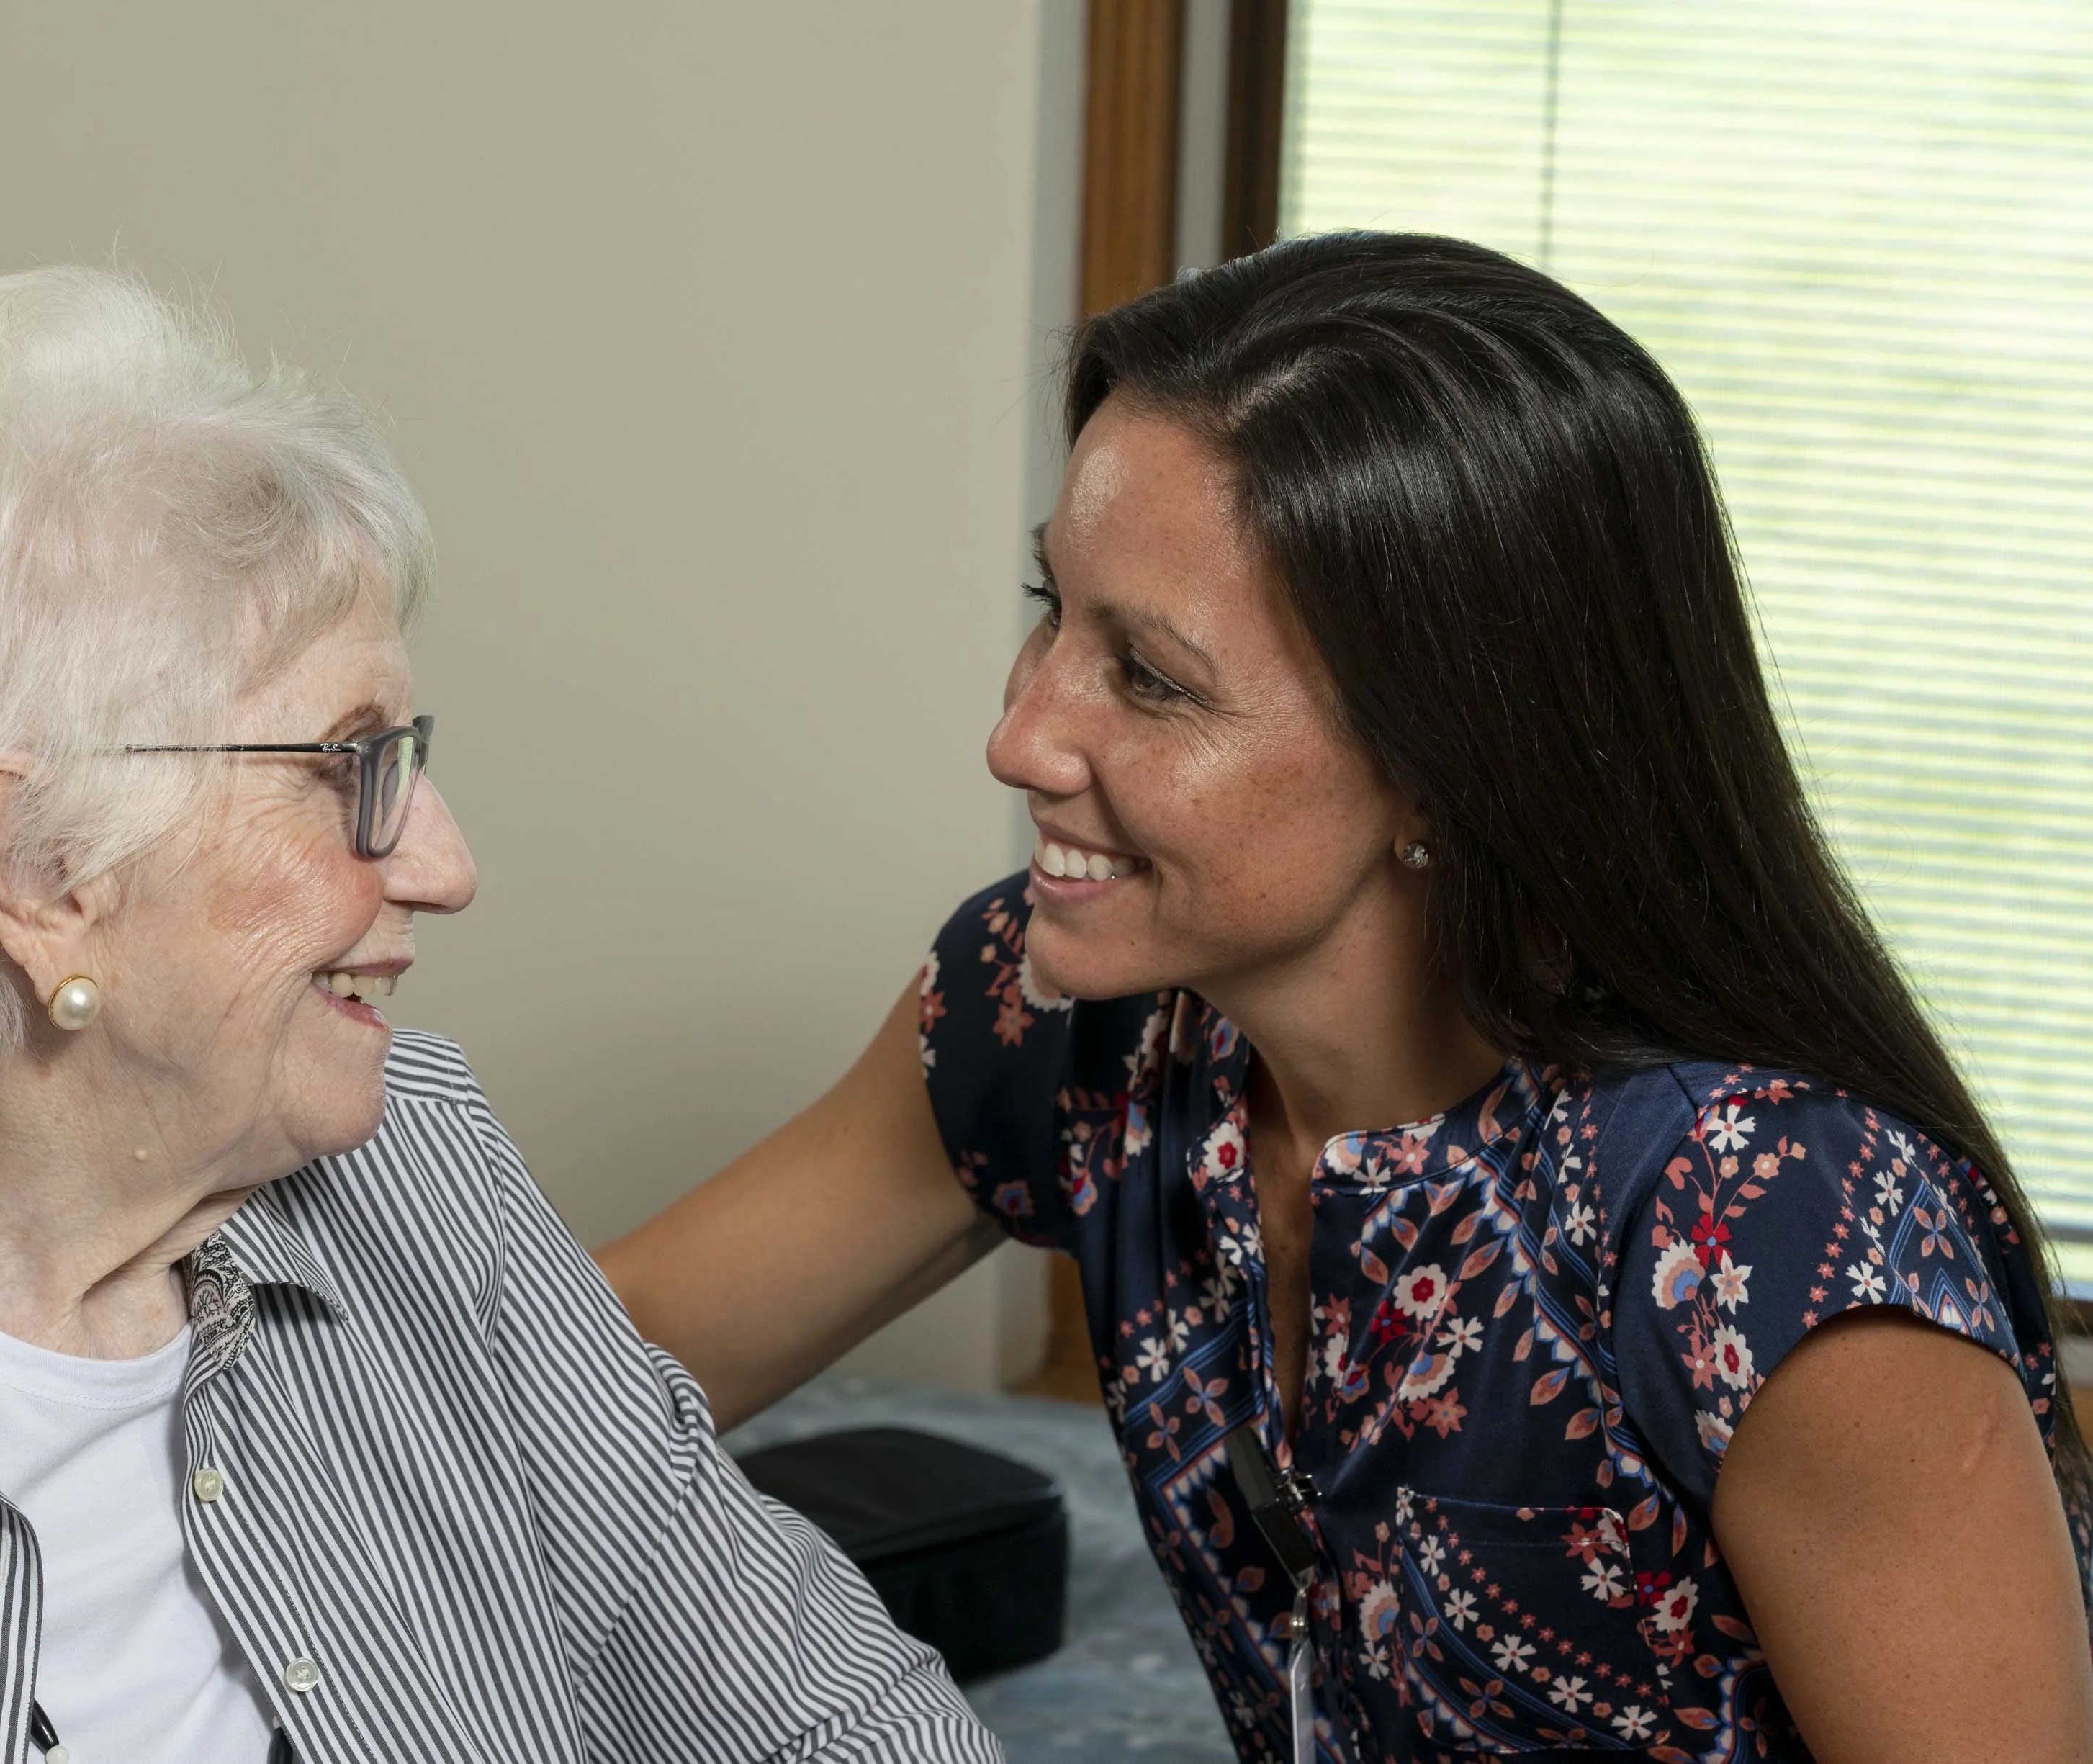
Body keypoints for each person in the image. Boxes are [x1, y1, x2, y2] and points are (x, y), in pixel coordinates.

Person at [0, 268, 999, 1763]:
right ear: (44, 869)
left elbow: (812, 1695)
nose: (448, 866)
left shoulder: (418, 1163)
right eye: (349, 764)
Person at [600, 233, 2093, 1762]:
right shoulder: (1063, 1014)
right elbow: (598, 1365)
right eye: (1052, 606)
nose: (1022, 731)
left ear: (1443, 761)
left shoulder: (1765, 1225)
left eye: (1152, 679)